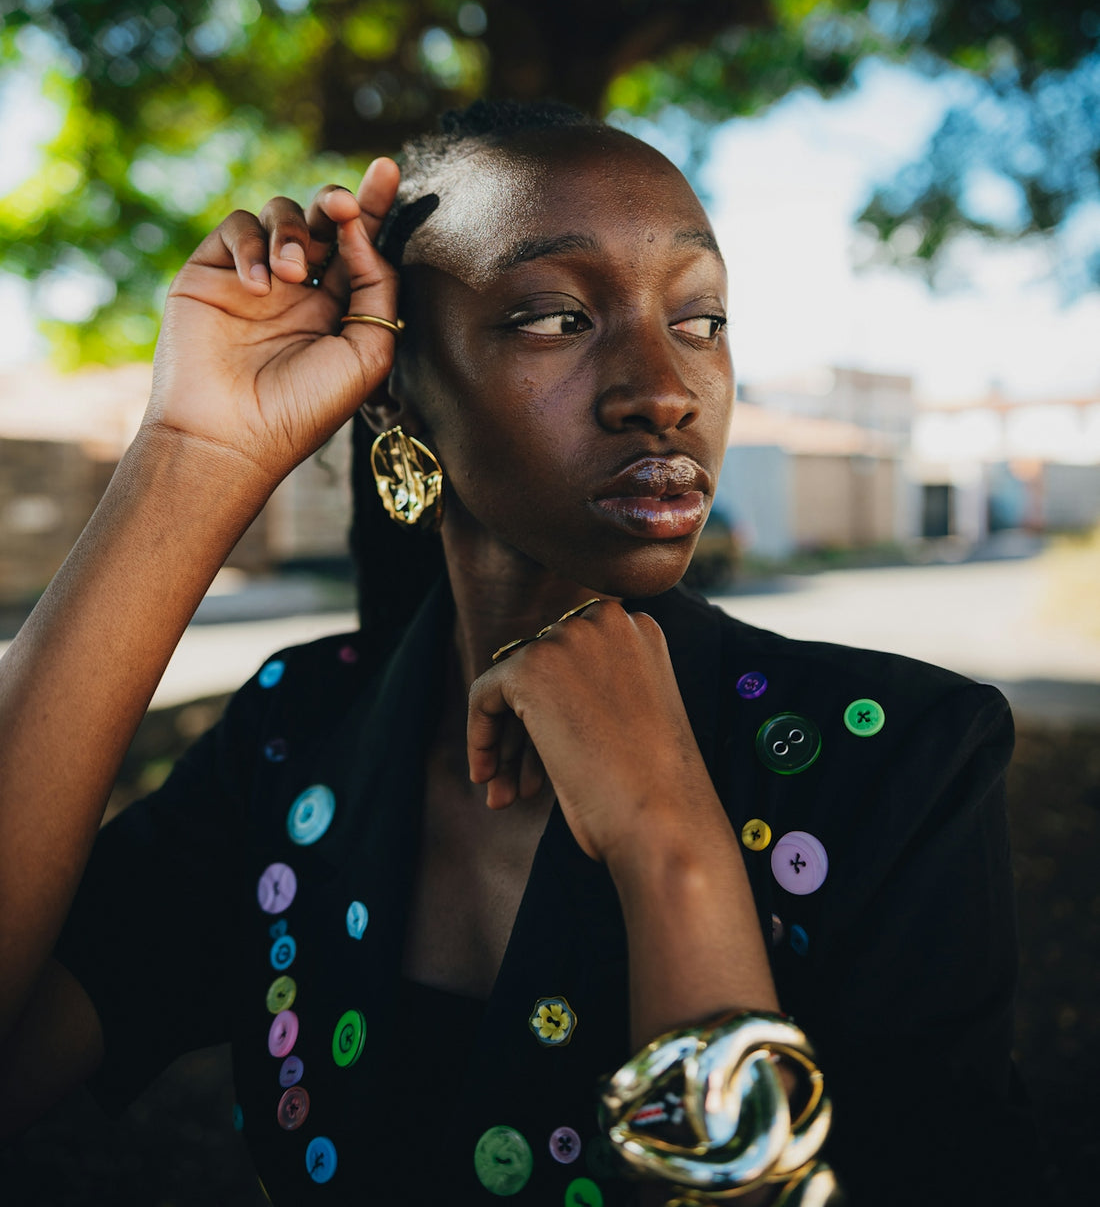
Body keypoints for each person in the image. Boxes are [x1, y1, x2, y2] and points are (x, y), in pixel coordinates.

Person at [0, 101, 1036, 1206]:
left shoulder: (896, 763)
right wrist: (192, 451)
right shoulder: (295, 740)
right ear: (397, 389)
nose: (664, 391)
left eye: (699, 318)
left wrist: (670, 843)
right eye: (553, 316)